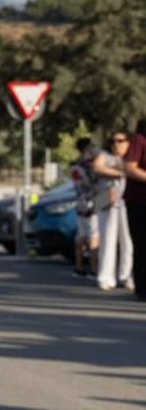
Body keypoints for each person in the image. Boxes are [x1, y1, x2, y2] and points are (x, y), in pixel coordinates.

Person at [92, 131, 135, 292]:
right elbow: (97, 167)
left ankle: (126, 275)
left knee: (128, 241)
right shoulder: (105, 156)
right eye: (113, 141)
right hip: (106, 200)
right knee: (107, 240)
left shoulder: (131, 158)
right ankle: (105, 277)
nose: (116, 144)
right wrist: (120, 173)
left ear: (128, 142)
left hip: (126, 202)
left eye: (120, 140)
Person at [70, 137, 101, 277]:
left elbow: (76, 184)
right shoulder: (89, 165)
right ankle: (94, 269)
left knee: (81, 235)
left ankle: (79, 267)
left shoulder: (75, 165)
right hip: (92, 202)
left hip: (80, 202)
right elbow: (94, 182)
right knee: (94, 235)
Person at [124, 119, 146, 301]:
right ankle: (142, 288)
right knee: (142, 245)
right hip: (139, 202)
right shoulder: (139, 140)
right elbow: (130, 168)